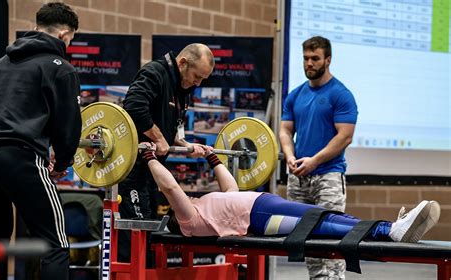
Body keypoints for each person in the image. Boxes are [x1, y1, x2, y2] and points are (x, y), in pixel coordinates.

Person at [139, 142, 440, 245]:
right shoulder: (189, 220)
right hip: (261, 217)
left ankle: (390, 228)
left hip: (262, 205)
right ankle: (390, 231)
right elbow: (170, 187)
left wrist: (212, 157)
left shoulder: (206, 204)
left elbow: (230, 188)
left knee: (326, 217)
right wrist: (150, 158)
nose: (187, 198)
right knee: (320, 225)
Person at [0, 3, 80, 280]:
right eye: (70, 40)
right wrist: (63, 161)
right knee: (54, 242)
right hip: (19, 156)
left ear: (37, 28)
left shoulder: (1, 63)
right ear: (64, 35)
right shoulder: (61, 67)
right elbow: (68, 125)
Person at [118, 43, 215, 262]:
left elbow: (174, 126)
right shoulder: (154, 73)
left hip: (151, 170)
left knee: (150, 231)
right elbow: (134, 106)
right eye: (197, 76)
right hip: (132, 170)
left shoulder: (182, 87)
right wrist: (159, 138)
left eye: (202, 80)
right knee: (137, 232)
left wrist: (184, 145)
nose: (197, 83)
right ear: (182, 63)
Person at [279, 36, 358, 279]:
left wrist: (314, 160)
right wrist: (290, 155)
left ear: (328, 60)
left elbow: (345, 137)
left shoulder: (341, 94)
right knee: (307, 238)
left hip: (329, 176)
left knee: (331, 236)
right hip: (300, 177)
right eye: (306, 58)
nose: (309, 63)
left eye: (315, 58)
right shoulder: (295, 95)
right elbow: (284, 130)